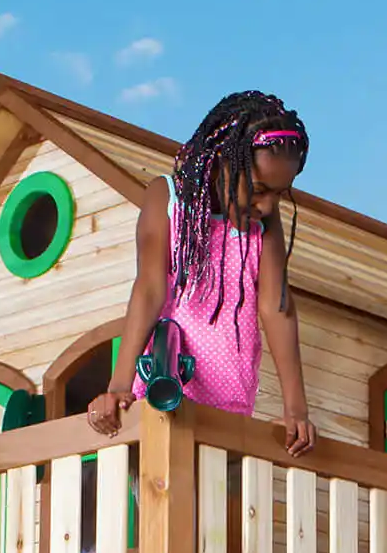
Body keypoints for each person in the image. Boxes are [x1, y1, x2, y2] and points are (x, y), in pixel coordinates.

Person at [84, 89, 319, 456]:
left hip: (231, 404)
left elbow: (277, 307)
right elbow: (149, 290)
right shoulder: (168, 199)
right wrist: (119, 385)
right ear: (222, 161)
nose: (268, 204)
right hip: (163, 393)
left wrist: (296, 409)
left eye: (279, 193)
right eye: (259, 190)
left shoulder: (262, 223)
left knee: (219, 507)